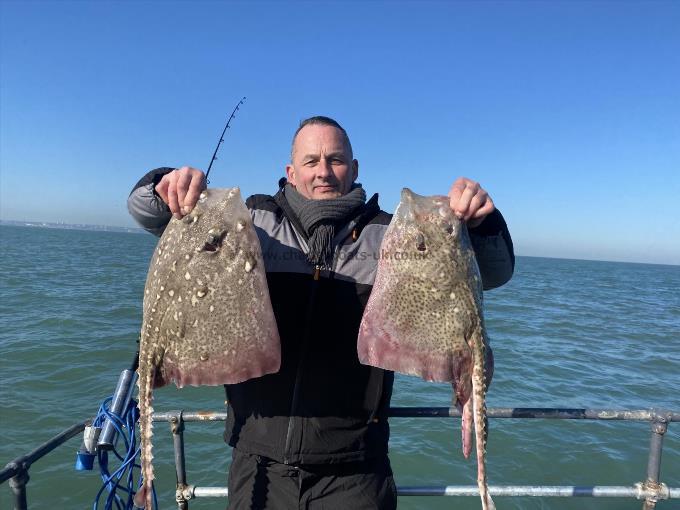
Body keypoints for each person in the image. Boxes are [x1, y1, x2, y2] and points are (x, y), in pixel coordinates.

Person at [127, 116, 514, 509]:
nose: (324, 172)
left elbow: (494, 274)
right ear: (291, 173)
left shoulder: (389, 234)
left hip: (356, 469)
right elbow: (145, 212)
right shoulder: (251, 224)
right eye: (311, 162)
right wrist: (169, 185)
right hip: (257, 462)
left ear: (355, 168)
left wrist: (481, 223)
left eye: (336, 160)